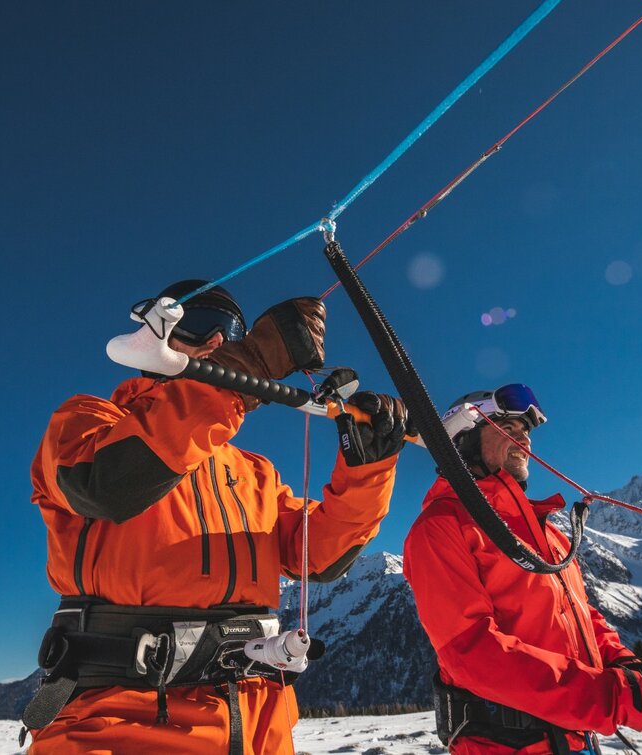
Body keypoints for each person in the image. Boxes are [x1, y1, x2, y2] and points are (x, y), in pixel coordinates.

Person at [24, 280, 408, 755]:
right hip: (120, 719)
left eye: (232, 333)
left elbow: (320, 560)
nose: (218, 341)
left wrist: (367, 470)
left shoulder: (253, 471)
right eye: (199, 323)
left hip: (258, 719)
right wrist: (250, 363)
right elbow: (104, 487)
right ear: (155, 332)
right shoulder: (86, 422)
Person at [404, 385, 642, 755]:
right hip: (503, 745)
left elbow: (576, 612)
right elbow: (471, 654)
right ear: (461, 442)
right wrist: (623, 701)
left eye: (525, 431)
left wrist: (623, 661)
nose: (523, 439)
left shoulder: (546, 532)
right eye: (507, 429)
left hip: (575, 739)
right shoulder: (441, 527)